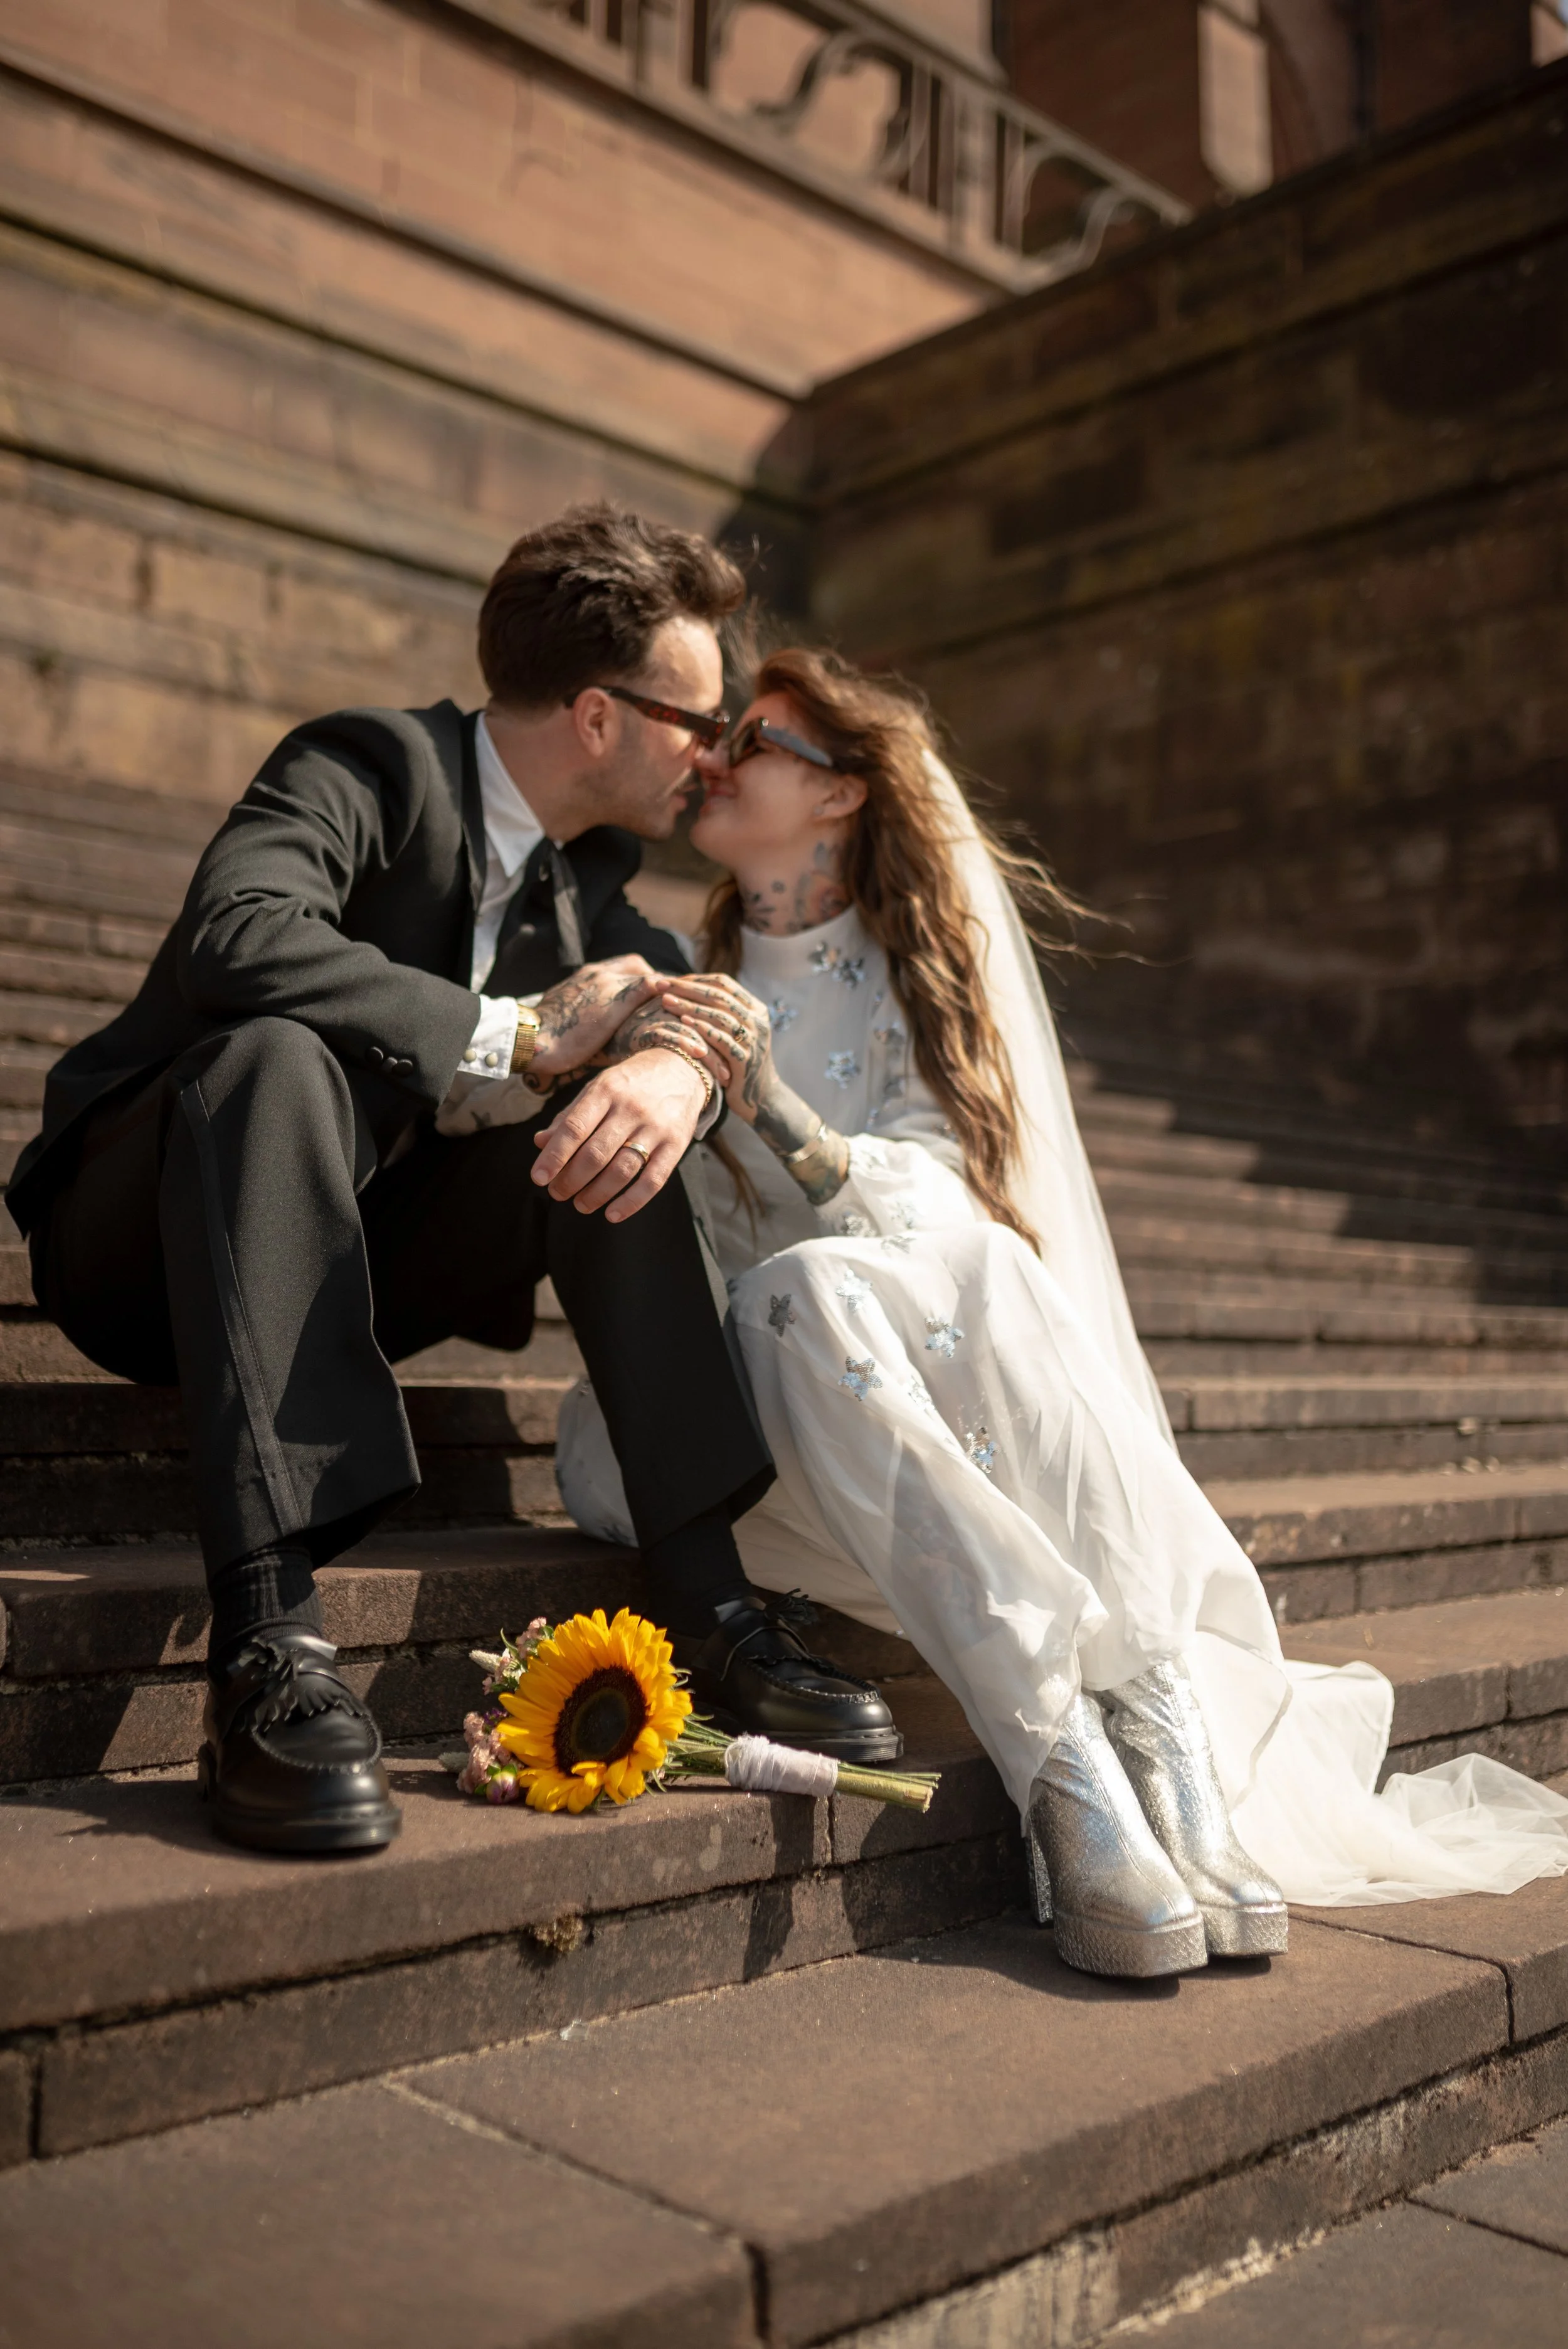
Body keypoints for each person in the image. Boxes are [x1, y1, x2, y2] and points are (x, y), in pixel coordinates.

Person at [557, 645, 1568, 1980]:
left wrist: (782, 1112)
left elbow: (945, 1208)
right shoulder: (667, 971)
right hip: (727, 1415)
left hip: (891, 1374)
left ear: (844, 794)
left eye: (755, 740)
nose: (713, 757)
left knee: (954, 1271)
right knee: (800, 1298)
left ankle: (1136, 1726)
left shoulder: (918, 977)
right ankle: (1065, 1759)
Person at [6, 509, 899, 1858]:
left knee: (621, 1116)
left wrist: (662, 1068)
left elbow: (689, 1004)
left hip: (368, 1261)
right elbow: (237, 935)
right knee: (272, 1058)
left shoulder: (589, 882)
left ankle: (711, 1604)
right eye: (697, 722)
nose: (713, 758)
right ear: (598, 717)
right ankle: (268, 1640)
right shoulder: (369, 765)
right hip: (148, 1239)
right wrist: (522, 1036)